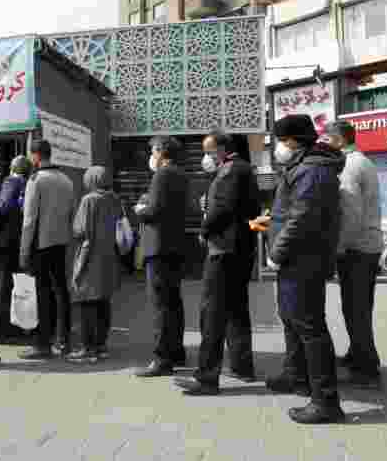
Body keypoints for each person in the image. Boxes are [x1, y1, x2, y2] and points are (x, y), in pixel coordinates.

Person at [255, 114, 345, 424]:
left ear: (294, 141)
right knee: (291, 319)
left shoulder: (313, 169)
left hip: (304, 259)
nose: (278, 148)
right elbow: (293, 211)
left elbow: (303, 217)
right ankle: (296, 375)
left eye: (281, 141)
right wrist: (273, 222)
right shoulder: (303, 165)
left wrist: (277, 252)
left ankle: (325, 401)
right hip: (296, 257)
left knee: (309, 327)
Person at [175, 130, 258, 395]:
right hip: (241, 249)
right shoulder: (243, 169)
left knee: (212, 313)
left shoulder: (230, 171)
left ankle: (206, 378)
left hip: (223, 249)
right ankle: (242, 367)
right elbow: (246, 209)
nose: (206, 157)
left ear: (223, 148)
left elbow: (223, 209)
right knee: (236, 309)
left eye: (209, 151)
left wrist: (204, 229)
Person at [322, 120, 384, 390]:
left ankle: (366, 368)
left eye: (327, 138)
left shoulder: (349, 165)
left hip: (356, 247)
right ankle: (358, 353)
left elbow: (351, 212)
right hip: (366, 244)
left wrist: (340, 246)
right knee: (360, 307)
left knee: (355, 309)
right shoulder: (363, 161)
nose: (324, 143)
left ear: (337, 139)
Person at [133, 136, 190, 377]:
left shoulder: (162, 174)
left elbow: (154, 211)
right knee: (173, 302)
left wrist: (140, 210)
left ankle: (161, 359)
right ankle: (176, 352)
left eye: (153, 151)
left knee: (160, 305)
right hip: (175, 246)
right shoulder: (182, 174)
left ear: (161, 152)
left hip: (158, 247)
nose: (151, 156)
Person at [19, 139, 76, 360]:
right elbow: (71, 214)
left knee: (41, 293)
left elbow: (29, 220)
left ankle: (42, 344)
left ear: (35, 156)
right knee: (61, 291)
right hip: (61, 242)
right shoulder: (66, 180)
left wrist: (24, 249)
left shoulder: (36, 180)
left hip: (40, 244)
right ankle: (64, 340)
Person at [67, 165, 124, 364]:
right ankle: (101, 346)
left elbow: (79, 230)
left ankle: (87, 348)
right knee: (103, 302)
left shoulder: (89, 200)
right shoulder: (114, 199)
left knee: (86, 303)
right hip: (109, 257)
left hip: (90, 256)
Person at [0, 155, 31, 343]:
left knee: (2, 285)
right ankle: (16, 326)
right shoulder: (28, 183)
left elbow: (2, 208)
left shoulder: (11, 182)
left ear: (12, 168)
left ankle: (0, 329)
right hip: (20, 241)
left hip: (5, 242)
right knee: (17, 285)